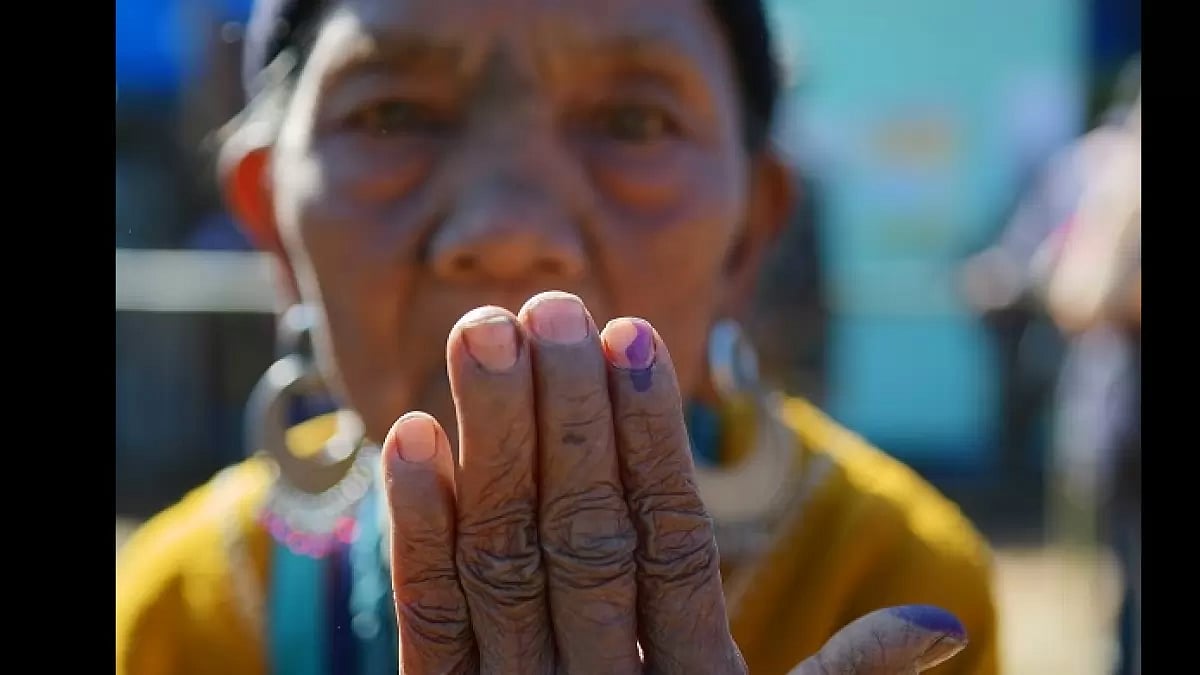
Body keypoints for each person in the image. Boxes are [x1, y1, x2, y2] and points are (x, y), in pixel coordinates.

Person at [116, 1, 1000, 673]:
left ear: (749, 235)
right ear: (272, 222)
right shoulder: (176, 616)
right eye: (393, 116)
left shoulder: (881, 570)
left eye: (633, 123)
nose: (508, 233)